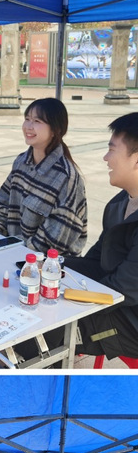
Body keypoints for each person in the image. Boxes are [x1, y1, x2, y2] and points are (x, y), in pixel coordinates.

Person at [58, 113, 138, 358]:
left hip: (131, 323)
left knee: (49, 333)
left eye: (112, 150)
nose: (105, 158)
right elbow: (95, 262)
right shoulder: (119, 204)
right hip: (115, 301)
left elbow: (123, 290)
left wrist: (67, 302)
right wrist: (54, 267)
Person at [0, 97, 87, 256]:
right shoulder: (21, 162)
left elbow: (56, 239)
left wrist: (16, 251)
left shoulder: (66, 177)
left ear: (55, 129)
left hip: (47, 263)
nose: (28, 126)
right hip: (12, 250)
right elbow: (3, 205)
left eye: (37, 121)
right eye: (27, 119)